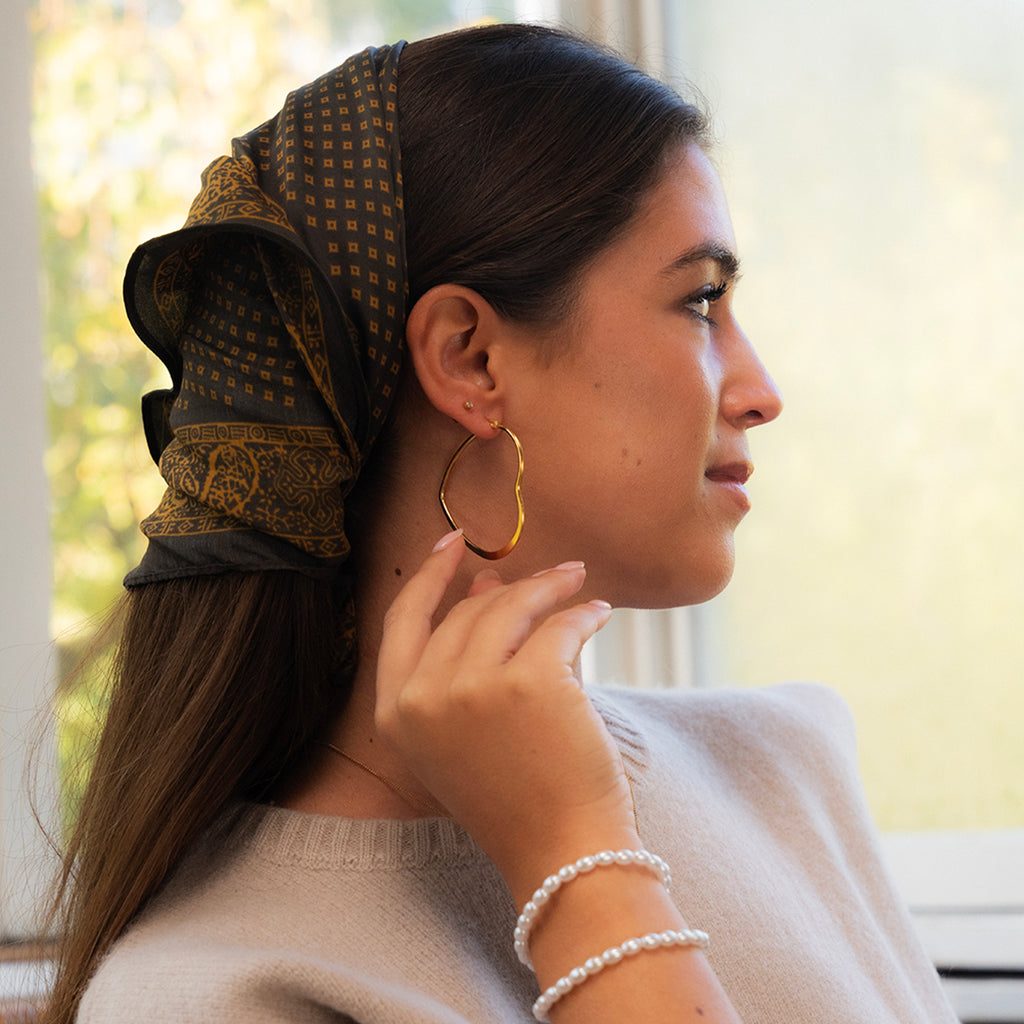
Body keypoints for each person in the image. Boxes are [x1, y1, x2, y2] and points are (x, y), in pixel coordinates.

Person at [45, 23, 958, 1024]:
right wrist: (576, 857)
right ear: (470, 359)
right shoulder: (211, 994)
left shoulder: (781, 766)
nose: (760, 391)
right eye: (700, 301)